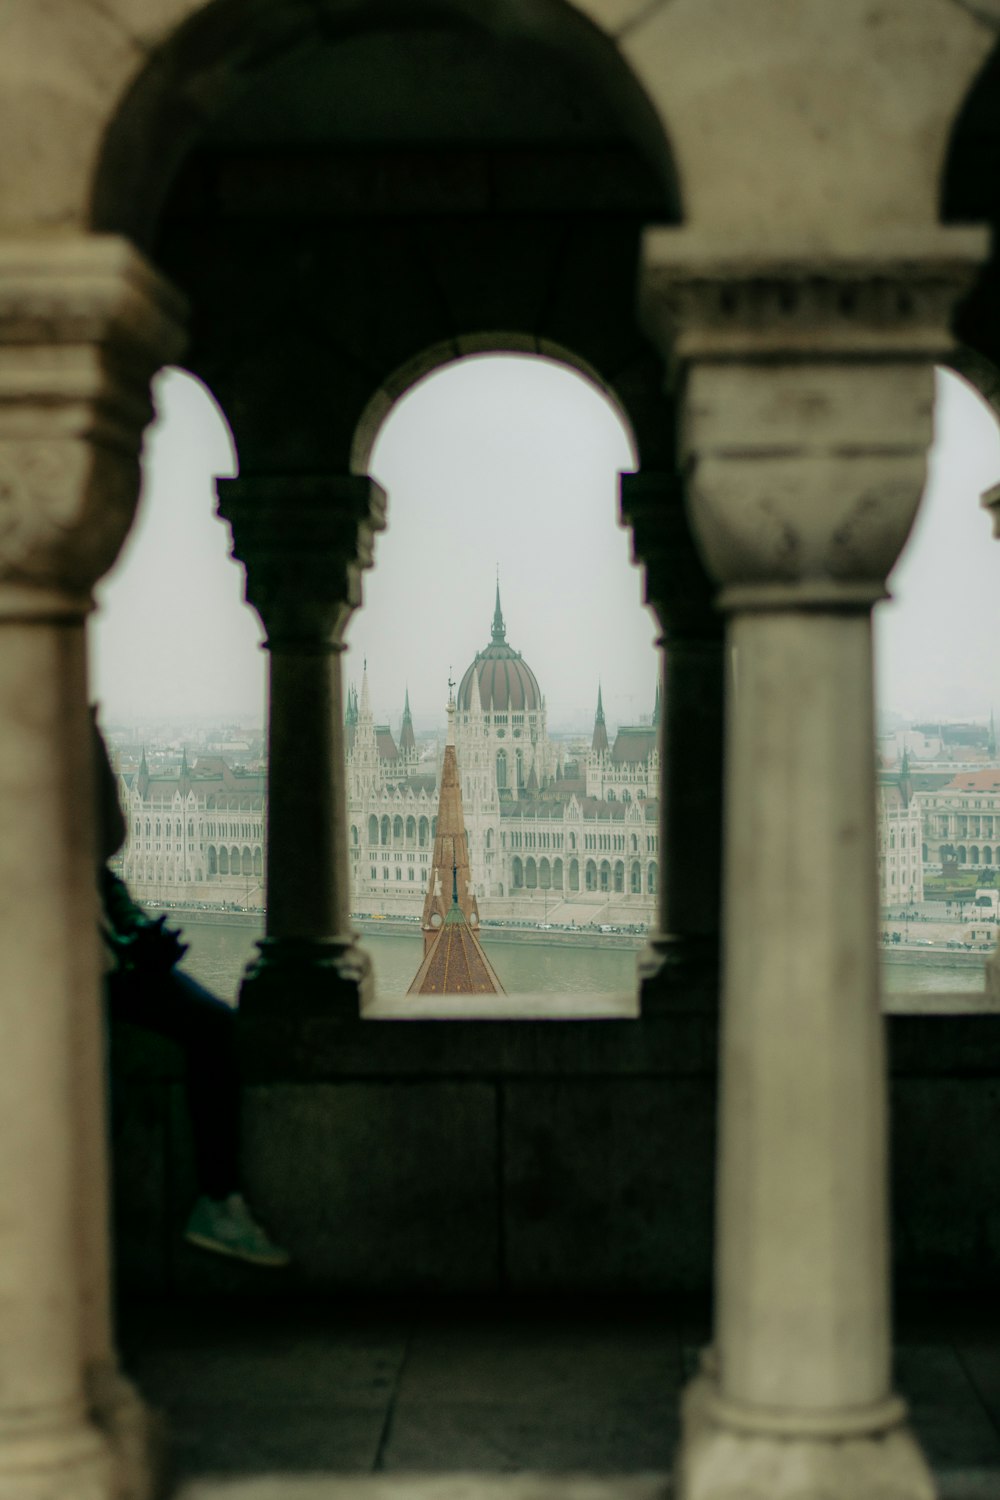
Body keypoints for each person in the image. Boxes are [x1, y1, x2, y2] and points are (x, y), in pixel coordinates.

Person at [93, 712, 288, 1268]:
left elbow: (106, 852)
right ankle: (216, 1199)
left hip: (110, 945)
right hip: (65, 955)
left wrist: (134, 933)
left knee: (213, 1024)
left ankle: (218, 1199)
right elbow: (109, 838)